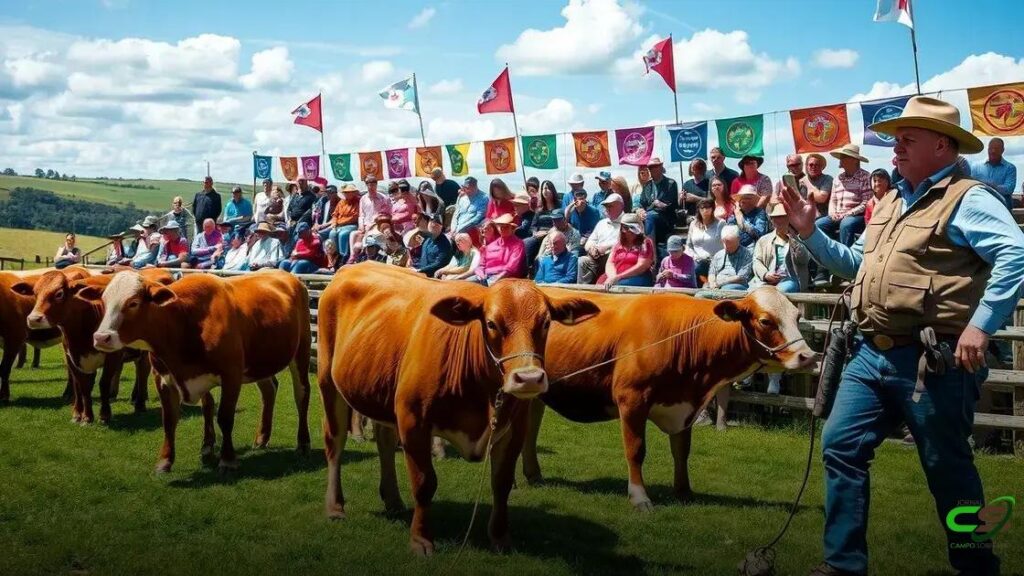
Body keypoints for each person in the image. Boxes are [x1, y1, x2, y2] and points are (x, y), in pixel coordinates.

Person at [779, 95, 1023, 576]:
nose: (896, 148)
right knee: (840, 445)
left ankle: (977, 567)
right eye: (896, 140)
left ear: (942, 145)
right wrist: (810, 233)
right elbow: (857, 264)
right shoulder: (891, 200)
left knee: (947, 468)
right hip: (870, 353)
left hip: (933, 361)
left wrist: (981, 325)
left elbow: (1016, 254)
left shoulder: (969, 197)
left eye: (908, 139)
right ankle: (843, 565)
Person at [750, 203, 808, 293]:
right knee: (754, 293)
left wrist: (793, 241)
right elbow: (757, 261)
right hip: (766, 281)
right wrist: (765, 274)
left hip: (790, 279)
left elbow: (804, 260)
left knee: (779, 291)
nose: (780, 220)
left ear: (789, 218)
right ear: (771, 220)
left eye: (783, 217)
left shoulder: (799, 238)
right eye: (776, 217)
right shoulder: (763, 240)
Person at [578, 193, 625, 284]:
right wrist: (592, 248)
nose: (607, 209)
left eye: (610, 206)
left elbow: (626, 242)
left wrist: (605, 247)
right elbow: (590, 241)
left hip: (614, 257)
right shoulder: (602, 223)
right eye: (606, 206)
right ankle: (584, 290)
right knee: (582, 261)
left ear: (620, 206)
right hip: (596, 257)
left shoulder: (626, 222)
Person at [598, 213, 654, 288]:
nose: (630, 231)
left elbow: (642, 266)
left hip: (637, 277)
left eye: (633, 228)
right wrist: (612, 277)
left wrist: (619, 277)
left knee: (617, 287)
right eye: (626, 228)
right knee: (600, 284)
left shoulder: (645, 243)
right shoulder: (618, 244)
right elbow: (610, 262)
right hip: (616, 276)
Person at [637, 157, 679, 247]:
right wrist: (640, 210)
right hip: (648, 217)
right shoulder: (647, 185)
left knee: (650, 216)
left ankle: (650, 249)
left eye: (656, 166)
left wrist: (659, 205)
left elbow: (671, 205)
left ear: (661, 167)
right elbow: (641, 203)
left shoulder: (671, 183)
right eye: (651, 167)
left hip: (666, 219)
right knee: (634, 219)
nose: (653, 169)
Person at [474, 213, 526, 284]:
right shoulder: (490, 246)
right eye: (500, 226)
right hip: (485, 276)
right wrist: (481, 276)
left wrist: (493, 281)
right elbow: (480, 265)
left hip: (505, 279)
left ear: (512, 228)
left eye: (506, 227)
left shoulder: (518, 244)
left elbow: (511, 269)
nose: (502, 229)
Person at [685, 198, 726, 286]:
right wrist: (694, 257)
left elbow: (726, 244)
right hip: (697, 260)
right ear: (698, 209)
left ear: (712, 209)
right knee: (692, 269)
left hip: (716, 261)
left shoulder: (721, 223)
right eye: (702, 208)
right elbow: (688, 245)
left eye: (707, 207)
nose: (705, 210)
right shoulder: (693, 224)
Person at [971, 137, 1017, 209]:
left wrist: (992, 186)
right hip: (981, 209)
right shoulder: (976, 167)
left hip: (1003, 210)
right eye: (990, 148)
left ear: (1002, 150)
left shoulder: (1010, 168)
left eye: (996, 149)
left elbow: (1009, 189)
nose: (993, 151)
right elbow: (971, 187)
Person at [706, 225, 752, 290]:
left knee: (727, 288)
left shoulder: (747, 254)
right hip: (717, 285)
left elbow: (741, 277)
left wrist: (719, 283)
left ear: (738, 240)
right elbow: (712, 273)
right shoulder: (718, 255)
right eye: (725, 243)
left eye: (731, 244)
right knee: (703, 290)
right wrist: (712, 283)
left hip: (737, 286)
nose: (727, 247)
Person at [450, 176, 488, 245]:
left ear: (475, 187)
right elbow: (456, 214)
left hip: (471, 230)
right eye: (464, 188)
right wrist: (453, 228)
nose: (465, 190)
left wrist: (459, 230)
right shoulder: (461, 197)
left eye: (467, 188)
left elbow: (478, 217)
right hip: (455, 230)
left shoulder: (484, 198)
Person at [415, 213, 453, 278]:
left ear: (441, 226)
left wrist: (421, 270)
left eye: (436, 222)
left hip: (434, 277)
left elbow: (440, 263)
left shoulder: (445, 244)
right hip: (421, 274)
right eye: (431, 221)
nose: (432, 224)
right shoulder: (426, 240)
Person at [329, 184, 360, 262]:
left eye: (348, 192)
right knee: (332, 233)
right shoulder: (341, 202)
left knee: (343, 234)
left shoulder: (358, 202)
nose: (346, 194)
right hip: (339, 225)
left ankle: (344, 256)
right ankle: (334, 256)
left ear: (353, 193)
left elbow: (354, 217)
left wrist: (340, 222)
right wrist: (334, 223)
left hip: (352, 225)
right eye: (345, 192)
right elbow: (335, 214)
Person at [803, 153, 834, 217]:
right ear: (806, 166)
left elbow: (821, 198)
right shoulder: (801, 181)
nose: (813, 167)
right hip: (806, 215)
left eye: (817, 165)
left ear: (822, 167)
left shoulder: (827, 179)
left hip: (824, 215)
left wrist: (807, 182)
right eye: (811, 165)